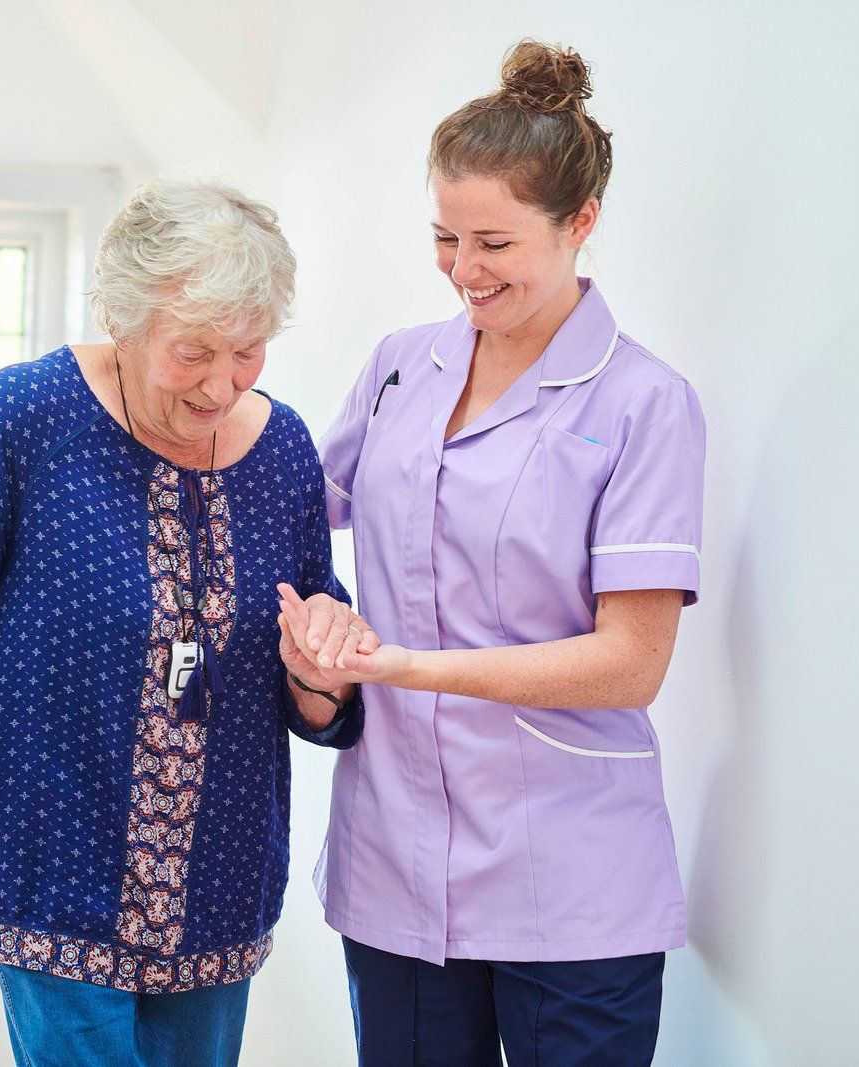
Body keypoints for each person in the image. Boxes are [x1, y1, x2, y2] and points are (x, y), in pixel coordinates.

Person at [0, 176, 368, 1067]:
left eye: (249, 351)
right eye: (194, 350)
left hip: (217, 876)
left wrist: (321, 675)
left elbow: (313, 660)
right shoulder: (27, 416)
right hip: (48, 854)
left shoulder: (284, 453)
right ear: (125, 317)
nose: (223, 384)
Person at [279, 41, 706, 1066]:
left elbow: (629, 662)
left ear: (581, 224)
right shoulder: (398, 369)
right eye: (444, 237)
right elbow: (289, 511)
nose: (464, 270)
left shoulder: (643, 402)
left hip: (569, 878)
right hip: (395, 861)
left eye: (494, 242)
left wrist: (400, 667)